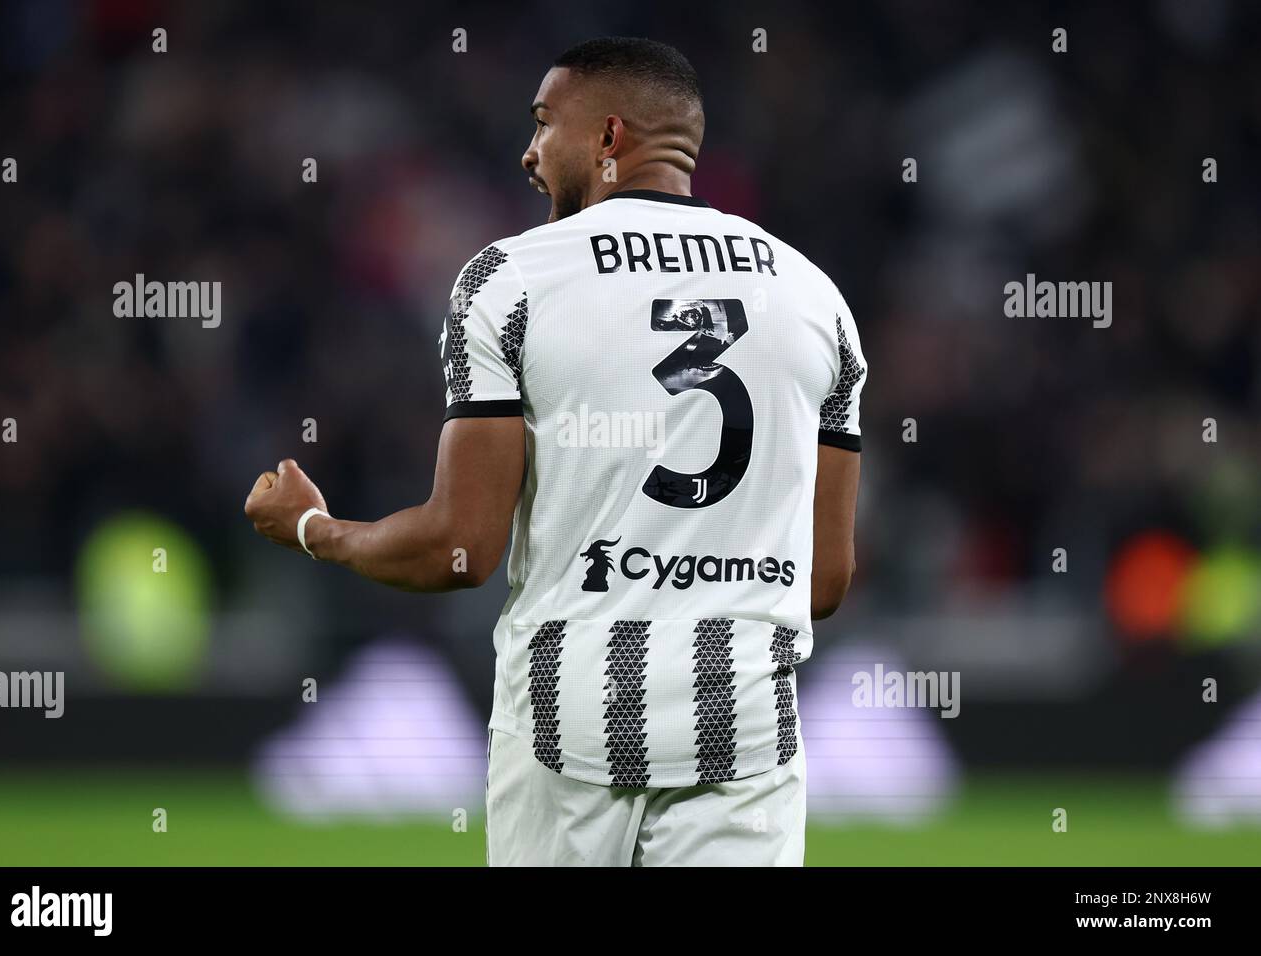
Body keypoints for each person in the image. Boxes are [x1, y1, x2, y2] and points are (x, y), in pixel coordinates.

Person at [245, 36, 867, 866]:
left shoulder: (509, 279)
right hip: (743, 729)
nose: (530, 152)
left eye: (544, 124)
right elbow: (824, 580)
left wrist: (317, 530)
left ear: (608, 139)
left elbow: (460, 549)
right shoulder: (814, 296)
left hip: (567, 724)